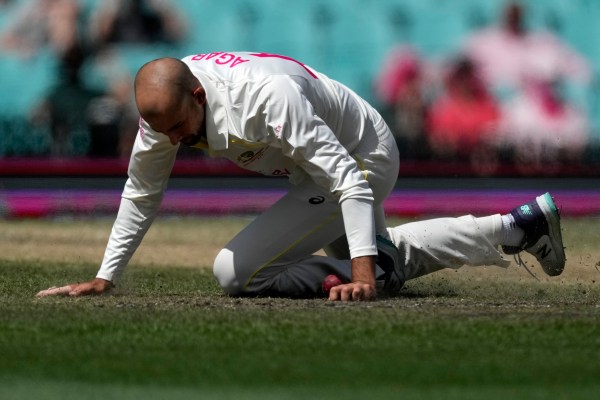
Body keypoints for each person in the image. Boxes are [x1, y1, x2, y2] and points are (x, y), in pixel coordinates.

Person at [36, 52, 566, 301]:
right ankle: (519, 227)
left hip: (364, 156)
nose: (172, 140)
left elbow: (349, 182)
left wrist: (359, 281)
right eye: (160, 130)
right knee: (381, 260)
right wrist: (106, 276)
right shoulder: (165, 110)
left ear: (199, 96)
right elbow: (142, 191)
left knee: (233, 273)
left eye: (178, 127)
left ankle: (374, 271)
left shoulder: (265, 98)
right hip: (317, 172)